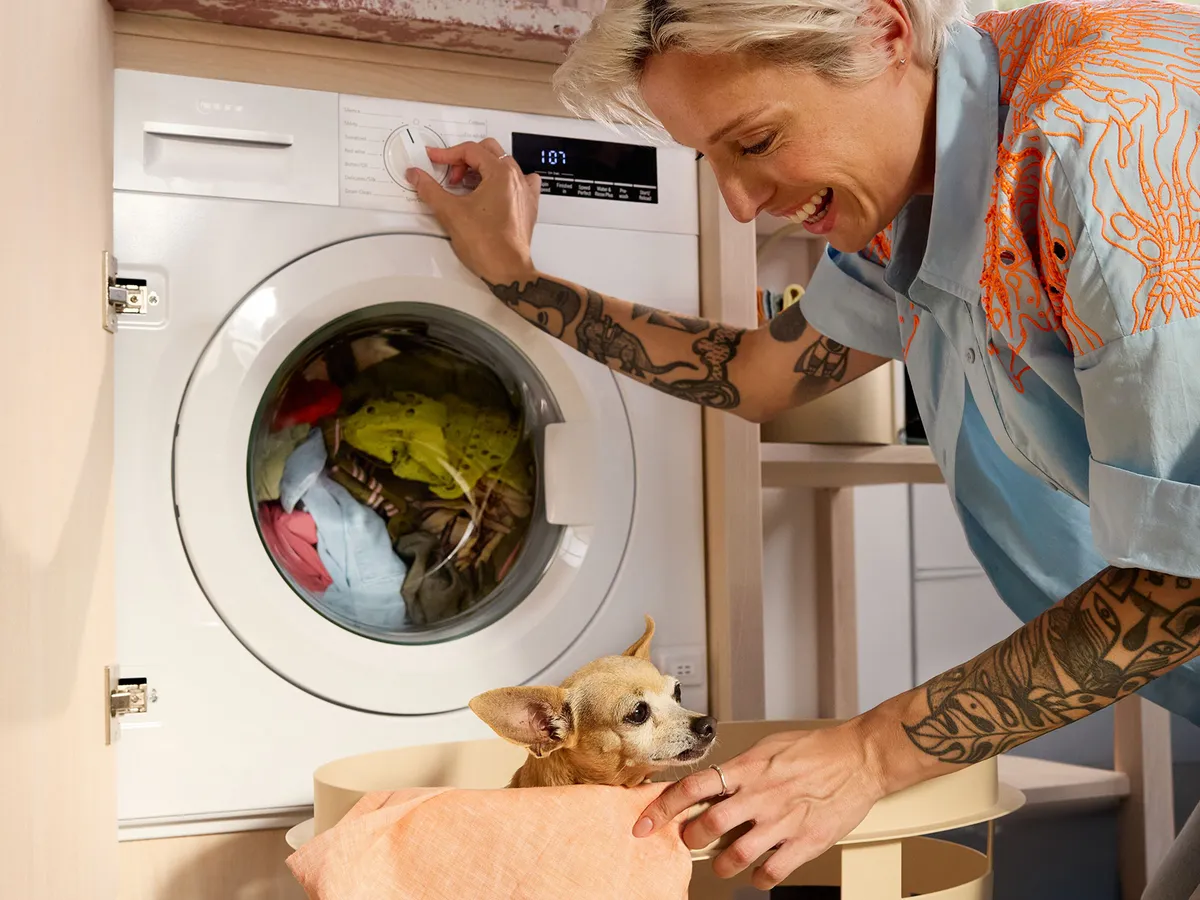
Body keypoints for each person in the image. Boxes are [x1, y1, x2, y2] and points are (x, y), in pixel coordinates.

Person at [406, 0, 1200, 893]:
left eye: (755, 142)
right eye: (710, 160)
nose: (740, 202)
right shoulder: (911, 191)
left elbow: (1191, 575)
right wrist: (517, 279)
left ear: (883, 31)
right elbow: (758, 374)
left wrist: (870, 754)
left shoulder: (1115, 150)